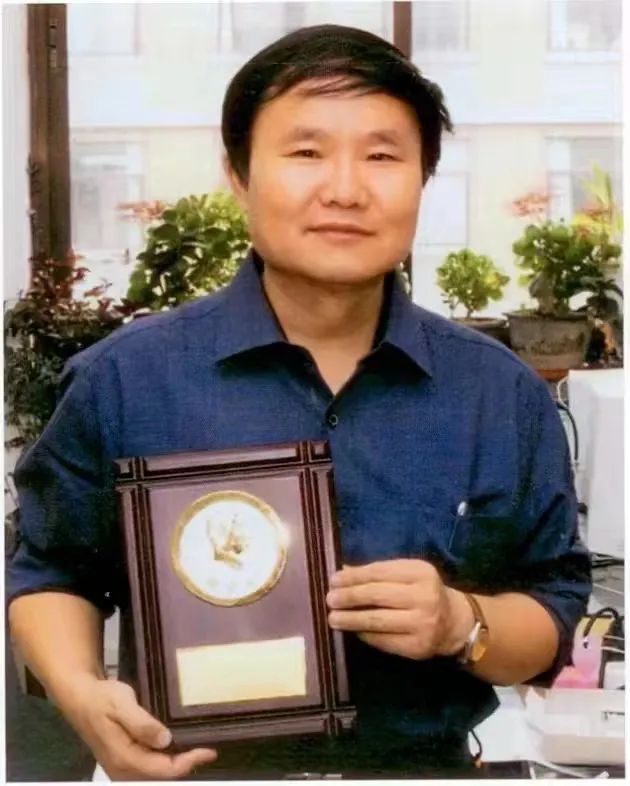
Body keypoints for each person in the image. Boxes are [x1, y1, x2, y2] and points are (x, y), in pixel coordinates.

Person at [7, 24, 591, 780]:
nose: (345, 189)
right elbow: (53, 574)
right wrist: (84, 695)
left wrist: (462, 622)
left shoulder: (499, 393)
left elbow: (552, 609)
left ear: (423, 179)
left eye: (382, 156)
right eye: (307, 152)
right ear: (239, 174)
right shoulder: (125, 380)